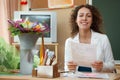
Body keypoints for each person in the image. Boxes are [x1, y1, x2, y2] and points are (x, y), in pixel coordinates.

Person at [64, 4, 115, 72]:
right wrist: (69, 68)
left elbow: (112, 65)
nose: (84, 18)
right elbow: (66, 67)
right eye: (81, 15)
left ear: (92, 20)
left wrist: (102, 66)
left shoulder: (103, 39)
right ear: (76, 20)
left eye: (88, 16)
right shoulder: (69, 41)